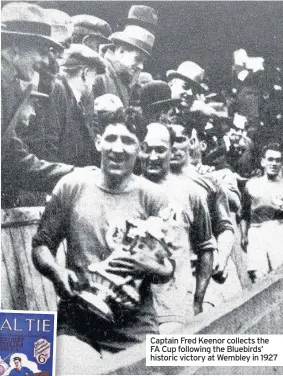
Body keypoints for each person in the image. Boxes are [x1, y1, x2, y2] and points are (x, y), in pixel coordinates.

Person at [32, 108, 175, 372]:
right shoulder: (72, 185)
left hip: (134, 323)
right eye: (110, 138)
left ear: (140, 148)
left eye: (128, 140)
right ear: (98, 141)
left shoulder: (154, 197)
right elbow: (41, 245)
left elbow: (168, 268)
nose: (117, 149)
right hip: (78, 318)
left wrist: (148, 267)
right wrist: (56, 272)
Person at [140, 122, 216, 332]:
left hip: (174, 308)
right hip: (132, 312)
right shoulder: (126, 190)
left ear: (171, 151)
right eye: (147, 149)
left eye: (160, 150)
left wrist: (198, 301)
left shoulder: (190, 192)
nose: (153, 157)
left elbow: (206, 247)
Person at [1, 4, 74, 208]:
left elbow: (11, 155)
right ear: (16, 48)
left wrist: (75, 175)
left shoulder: (9, 86)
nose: (46, 60)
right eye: (41, 51)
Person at [241, 142, 283, 283]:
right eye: (270, 159)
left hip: (278, 229)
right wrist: (243, 235)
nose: (274, 163)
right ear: (263, 162)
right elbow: (244, 214)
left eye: (278, 160)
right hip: (256, 230)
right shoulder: (252, 185)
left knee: (280, 273)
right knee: (258, 276)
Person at [93, 24, 155, 106]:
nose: (141, 66)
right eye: (138, 59)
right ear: (121, 51)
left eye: (143, 62)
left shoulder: (129, 81)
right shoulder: (99, 77)